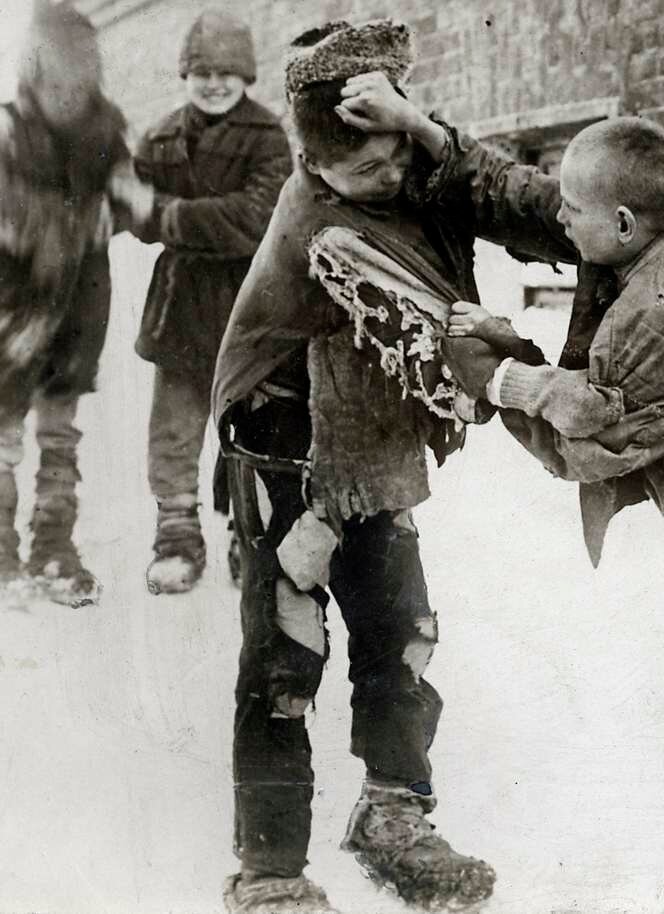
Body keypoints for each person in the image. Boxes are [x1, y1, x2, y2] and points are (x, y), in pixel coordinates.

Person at [376, 111, 664, 914]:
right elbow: (539, 219)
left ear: (622, 222)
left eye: (572, 211)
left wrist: (497, 374)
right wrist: (511, 340)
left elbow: (594, 422)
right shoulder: (645, 248)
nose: (558, 221)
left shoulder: (660, 311)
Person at [209, 19, 566, 914]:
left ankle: (393, 815)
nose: (396, 181)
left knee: (399, 628)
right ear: (316, 164)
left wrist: (430, 137)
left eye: (401, 158)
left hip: (372, 433)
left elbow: (529, 208)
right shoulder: (330, 230)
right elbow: (448, 340)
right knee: (287, 648)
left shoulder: (409, 156)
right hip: (286, 434)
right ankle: (270, 868)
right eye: (372, 172)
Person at [129, 9, 290, 595]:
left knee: (252, 426)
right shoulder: (161, 135)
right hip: (178, 306)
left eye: (227, 71)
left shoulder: (268, 136)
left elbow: (253, 220)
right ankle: (175, 537)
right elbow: (129, 203)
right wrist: (151, 215)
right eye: (202, 70)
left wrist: (169, 217)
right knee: (172, 429)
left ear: (246, 75)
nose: (214, 82)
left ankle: (249, 536)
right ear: (185, 74)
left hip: (249, 305)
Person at [0, 0, 146, 606]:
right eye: (53, 80)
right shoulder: (8, 132)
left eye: (77, 80)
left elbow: (131, 204)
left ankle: (54, 545)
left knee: (60, 433)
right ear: (32, 75)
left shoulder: (107, 132)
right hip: (12, 308)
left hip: (80, 308)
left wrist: (124, 203)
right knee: (4, 432)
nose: (65, 94)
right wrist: (67, 222)